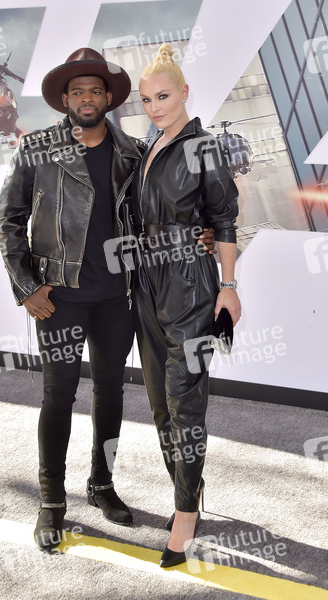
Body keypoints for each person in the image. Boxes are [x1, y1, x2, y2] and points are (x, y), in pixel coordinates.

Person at [0, 46, 217, 552]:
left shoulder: (132, 151)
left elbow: (163, 212)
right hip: (59, 297)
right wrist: (27, 287)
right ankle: (52, 500)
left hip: (119, 295)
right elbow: (8, 220)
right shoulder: (38, 148)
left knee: (111, 393)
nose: (87, 98)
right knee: (58, 396)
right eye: (78, 91)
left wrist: (201, 233)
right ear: (65, 100)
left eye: (96, 90)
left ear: (108, 98)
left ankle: (101, 484)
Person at [132, 43, 241, 568]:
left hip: (192, 287)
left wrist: (229, 286)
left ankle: (184, 516)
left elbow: (224, 220)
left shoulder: (204, 147)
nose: (154, 107)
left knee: (184, 402)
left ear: (184, 93)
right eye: (146, 99)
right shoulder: (147, 150)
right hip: (145, 287)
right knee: (159, 404)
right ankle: (188, 489)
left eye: (163, 96)